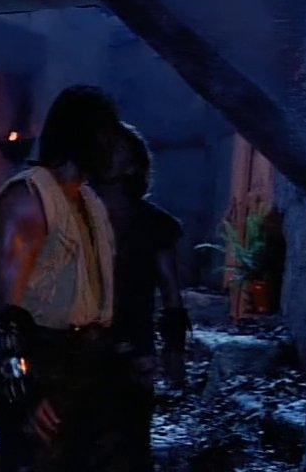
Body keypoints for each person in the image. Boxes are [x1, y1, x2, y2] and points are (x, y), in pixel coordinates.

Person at [0, 85, 122, 471]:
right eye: (105, 135)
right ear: (81, 135)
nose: (112, 147)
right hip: (45, 360)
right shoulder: (29, 198)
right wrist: (24, 389)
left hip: (86, 363)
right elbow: (5, 310)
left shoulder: (88, 201)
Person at [91, 122, 191, 472]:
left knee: (130, 440)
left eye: (114, 149)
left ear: (133, 165)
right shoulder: (72, 218)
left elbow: (171, 291)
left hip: (133, 342)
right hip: (78, 342)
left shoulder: (154, 224)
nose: (104, 155)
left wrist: (174, 350)